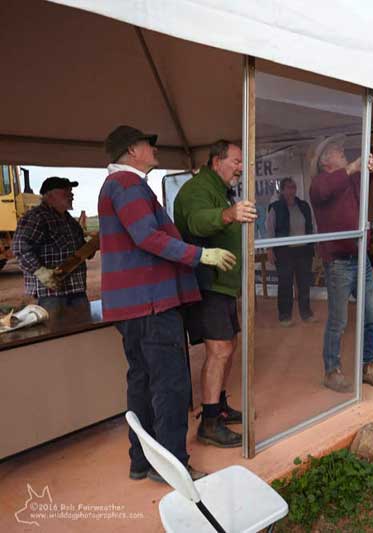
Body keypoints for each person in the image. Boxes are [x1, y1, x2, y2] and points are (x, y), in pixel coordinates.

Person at [99, 125, 236, 482]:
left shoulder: (117, 185)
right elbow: (147, 236)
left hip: (135, 305)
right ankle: (173, 467)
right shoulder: (128, 185)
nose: (154, 149)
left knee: (142, 383)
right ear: (132, 150)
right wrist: (200, 255)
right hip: (152, 304)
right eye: (149, 144)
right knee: (170, 386)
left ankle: (142, 461)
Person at [309, 100, 373, 392]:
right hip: (338, 262)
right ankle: (331, 371)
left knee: (371, 316)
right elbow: (325, 189)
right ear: (324, 161)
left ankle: (366, 367)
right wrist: (353, 167)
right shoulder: (319, 184)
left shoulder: (350, 180)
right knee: (338, 320)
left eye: (341, 149)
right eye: (336, 150)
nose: (342, 151)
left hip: (358, 259)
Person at [173, 140, 256, 449]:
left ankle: (218, 406)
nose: (240, 168)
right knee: (219, 349)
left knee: (228, 345)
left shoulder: (219, 188)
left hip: (222, 284)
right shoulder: (197, 189)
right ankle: (209, 424)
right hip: (207, 284)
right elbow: (196, 222)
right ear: (217, 161)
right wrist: (229, 215)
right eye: (236, 161)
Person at [12, 177, 89, 315]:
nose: (71, 194)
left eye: (71, 191)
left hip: (76, 289)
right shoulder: (36, 217)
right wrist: (40, 271)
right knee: (54, 327)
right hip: (51, 294)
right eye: (65, 191)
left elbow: (81, 250)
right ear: (49, 195)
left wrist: (92, 246)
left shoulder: (70, 221)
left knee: (84, 326)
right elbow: (20, 247)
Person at [266, 177, 316, 326]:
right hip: (284, 252)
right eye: (288, 187)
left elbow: (311, 226)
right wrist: (270, 249)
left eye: (293, 187)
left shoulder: (304, 206)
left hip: (304, 251)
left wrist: (315, 245)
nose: (291, 190)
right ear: (282, 190)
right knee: (285, 284)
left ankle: (306, 314)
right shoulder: (275, 207)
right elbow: (270, 229)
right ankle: (285, 316)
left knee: (304, 284)